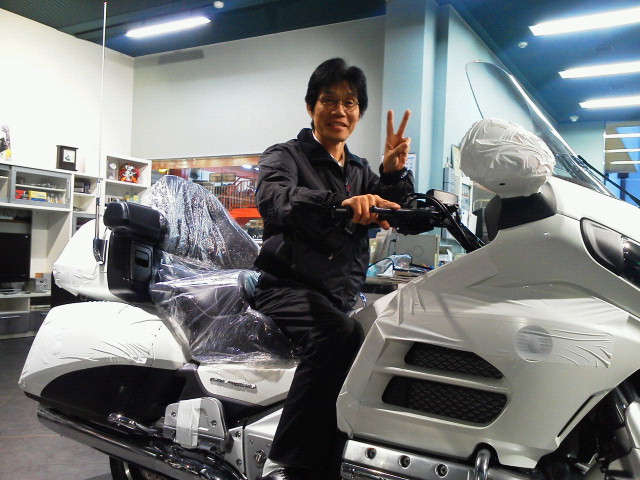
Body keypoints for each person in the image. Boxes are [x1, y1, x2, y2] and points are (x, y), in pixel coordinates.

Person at [253, 57, 413, 480]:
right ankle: (291, 462)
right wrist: (338, 204)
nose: (340, 110)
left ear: (359, 112)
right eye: (329, 100)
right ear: (311, 107)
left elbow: (394, 210)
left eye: (350, 103)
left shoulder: (359, 170)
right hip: (284, 286)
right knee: (337, 335)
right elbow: (275, 199)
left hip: (338, 294)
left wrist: (393, 175)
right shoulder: (285, 155)